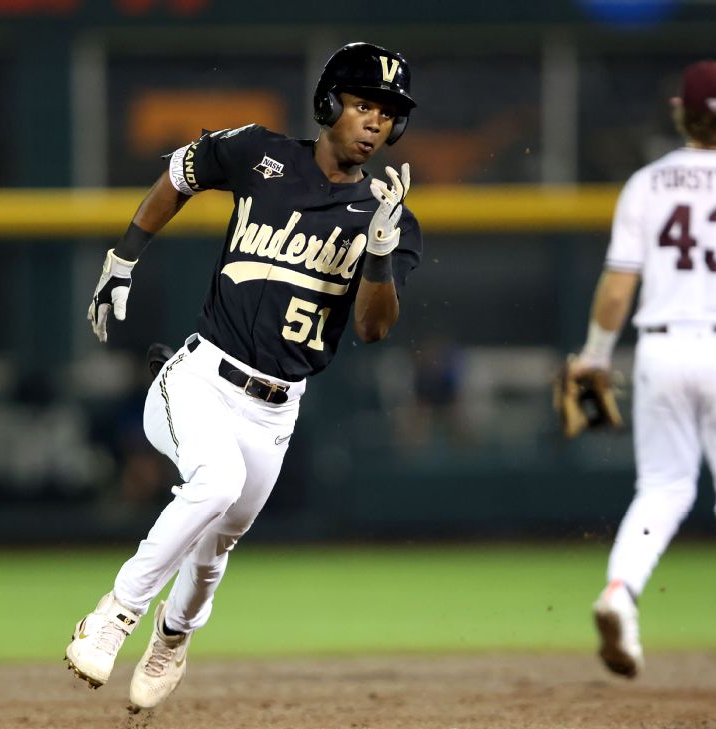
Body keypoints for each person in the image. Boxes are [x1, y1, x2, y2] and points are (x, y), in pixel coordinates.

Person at [65, 42, 422, 711]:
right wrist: (125, 255)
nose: (375, 122)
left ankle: (172, 637)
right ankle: (114, 613)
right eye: (364, 103)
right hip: (199, 376)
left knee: (218, 541)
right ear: (328, 103)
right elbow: (179, 173)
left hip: (277, 410)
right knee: (217, 482)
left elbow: (374, 328)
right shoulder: (262, 155)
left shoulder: (389, 216)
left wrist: (378, 249)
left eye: (389, 112)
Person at [570, 60, 716, 683]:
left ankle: (621, 590)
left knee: (663, 487)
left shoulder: (648, 184)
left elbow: (619, 288)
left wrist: (594, 355)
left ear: (682, 112)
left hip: (662, 346)